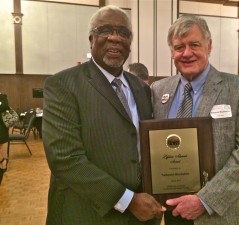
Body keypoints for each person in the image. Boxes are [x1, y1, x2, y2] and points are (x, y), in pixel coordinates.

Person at [42, 5, 164, 225]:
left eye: (123, 33)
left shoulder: (142, 88)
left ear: (130, 42)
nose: (115, 38)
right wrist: (129, 200)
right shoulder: (63, 85)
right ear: (91, 38)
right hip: (88, 213)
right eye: (106, 30)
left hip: (141, 217)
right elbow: (65, 159)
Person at [151, 15, 239, 225]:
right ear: (171, 52)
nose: (186, 53)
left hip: (224, 214)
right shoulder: (158, 90)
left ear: (209, 46)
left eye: (194, 44)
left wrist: (204, 200)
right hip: (174, 211)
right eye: (179, 47)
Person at [0, 93, 9, 185]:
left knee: (0, 148)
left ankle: (3, 162)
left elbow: (4, 107)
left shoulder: (2, 96)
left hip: (1, 127)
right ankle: (3, 161)